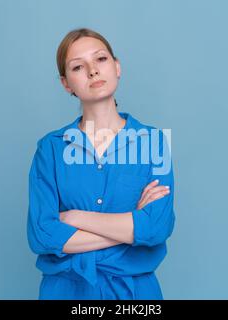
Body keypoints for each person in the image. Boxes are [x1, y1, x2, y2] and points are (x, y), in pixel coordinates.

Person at [27, 28, 175, 299]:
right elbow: (43, 234)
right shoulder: (50, 148)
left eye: (101, 59)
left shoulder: (152, 142)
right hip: (66, 292)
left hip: (134, 295)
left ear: (117, 67)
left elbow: (156, 227)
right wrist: (130, 227)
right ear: (66, 84)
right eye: (78, 66)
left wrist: (76, 218)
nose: (93, 71)